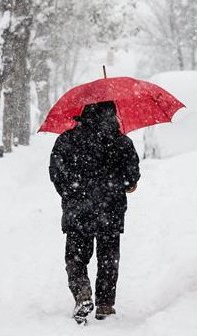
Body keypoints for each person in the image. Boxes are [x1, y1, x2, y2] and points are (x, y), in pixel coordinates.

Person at [49, 101, 140, 324]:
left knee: (76, 257)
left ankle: (82, 292)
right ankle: (105, 305)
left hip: (77, 210)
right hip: (110, 209)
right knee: (108, 257)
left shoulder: (67, 140)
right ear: (113, 114)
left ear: (84, 113)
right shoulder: (121, 142)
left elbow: (56, 173)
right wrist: (125, 185)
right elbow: (132, 178)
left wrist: (71, 194)